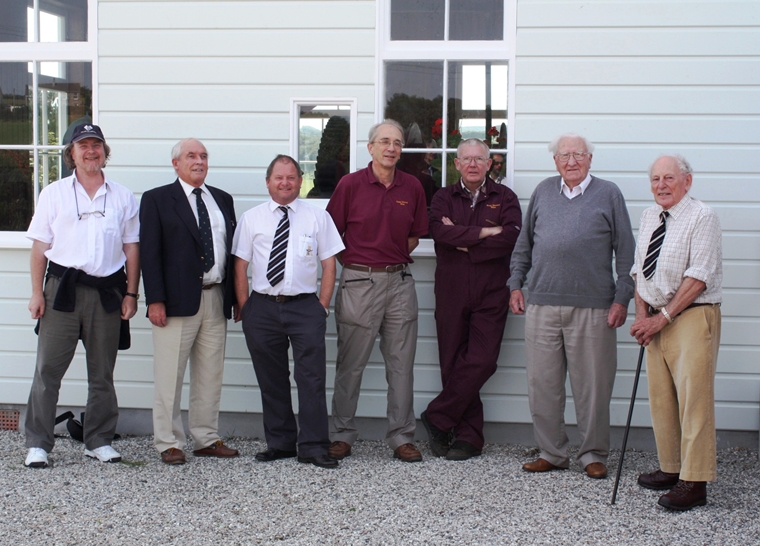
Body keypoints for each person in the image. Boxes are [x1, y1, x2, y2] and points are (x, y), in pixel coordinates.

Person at [508, 133, 635, 479]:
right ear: (555, 161)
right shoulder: (543, 191)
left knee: (593, 387)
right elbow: (524, 245)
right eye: (564, 155)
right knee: (542, 385)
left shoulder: (608, 194)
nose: (571, 161)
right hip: (542, 305)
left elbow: (626, 252)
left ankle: (593, 454)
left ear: (590, 159)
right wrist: (515, 284)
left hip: (594, 308)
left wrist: (622, 297)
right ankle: (551, 452)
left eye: (578, 154)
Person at [24, 124, 140, 468]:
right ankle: (38, 443)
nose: (91, 151)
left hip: (107, 292)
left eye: (96, 145)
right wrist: (36, 293)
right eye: (83, 146)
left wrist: (131, 293)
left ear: (105, 152)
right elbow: (39, 248)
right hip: (61, 291)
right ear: (71, 154)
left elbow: (132, 249)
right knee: (48, 370)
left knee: (102, 372)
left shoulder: (122, 196)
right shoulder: (54, 194)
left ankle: (98, 440)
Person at [326, 120, 429, 463]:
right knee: (350, 364)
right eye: (384, 141)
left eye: (397, 143)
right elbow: (331, 235)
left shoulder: (412, 186)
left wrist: (388, 260)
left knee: (401, 365)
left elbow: (414, 236)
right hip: (359, 283)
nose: (391, 148)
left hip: (400, 283)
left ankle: (401, 436)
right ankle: (342, 434)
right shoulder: (350, 185)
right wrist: (359, 264)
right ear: (370, 147)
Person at [233, 155, 344, 469]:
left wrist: (322, 306)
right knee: (271, 379)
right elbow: (240, 266)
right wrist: (246, 307)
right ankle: (280, 443)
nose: (285, 183)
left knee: (311, 379)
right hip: (263, 308)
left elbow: (329, 265)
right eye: (279, 177)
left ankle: (313, 446)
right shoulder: (252, 218)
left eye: (291, 177)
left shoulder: (317, 217)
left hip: (305, 307)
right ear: (268, 182)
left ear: (300, 181)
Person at [630, 155, 722, 511]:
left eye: (669, 178)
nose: (661, 185)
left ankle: (695, 482)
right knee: (662, 398)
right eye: (655, 179)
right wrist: (642, 315)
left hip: (691, 316)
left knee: (693, 400)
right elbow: (640, 269)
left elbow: (699, 276)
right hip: (656, 318)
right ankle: (672, 467)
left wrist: (662, 318)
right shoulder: (649, 216)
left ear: (687, 181)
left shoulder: (702, 216)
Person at [421, 139, 522, 461]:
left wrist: (464, 241)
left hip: (492, 289)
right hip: (451, 287)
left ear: (489, 164)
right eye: (467, 159)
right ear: (457, 164)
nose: (473, 164)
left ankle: (437, 416)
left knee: (482, 360)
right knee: (452, 361)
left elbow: (511, 237)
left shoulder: (504, 197)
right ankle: (468, 437)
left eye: (479, 159)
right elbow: (440, 233)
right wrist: (485, 233)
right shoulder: (443, 197)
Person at [140, 138, 239, 465]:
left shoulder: (222, 199)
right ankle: (168, 442)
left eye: (204, 156)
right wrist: (155, 300)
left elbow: (231, 251)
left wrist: (236, 297)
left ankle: (206, 438)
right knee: (169, 375)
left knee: (210, 374)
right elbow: (149, 254)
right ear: (176, 163)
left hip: (216, 297)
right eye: (191, 156)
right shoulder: (156, 199)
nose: (199, 161)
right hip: (174, 303)